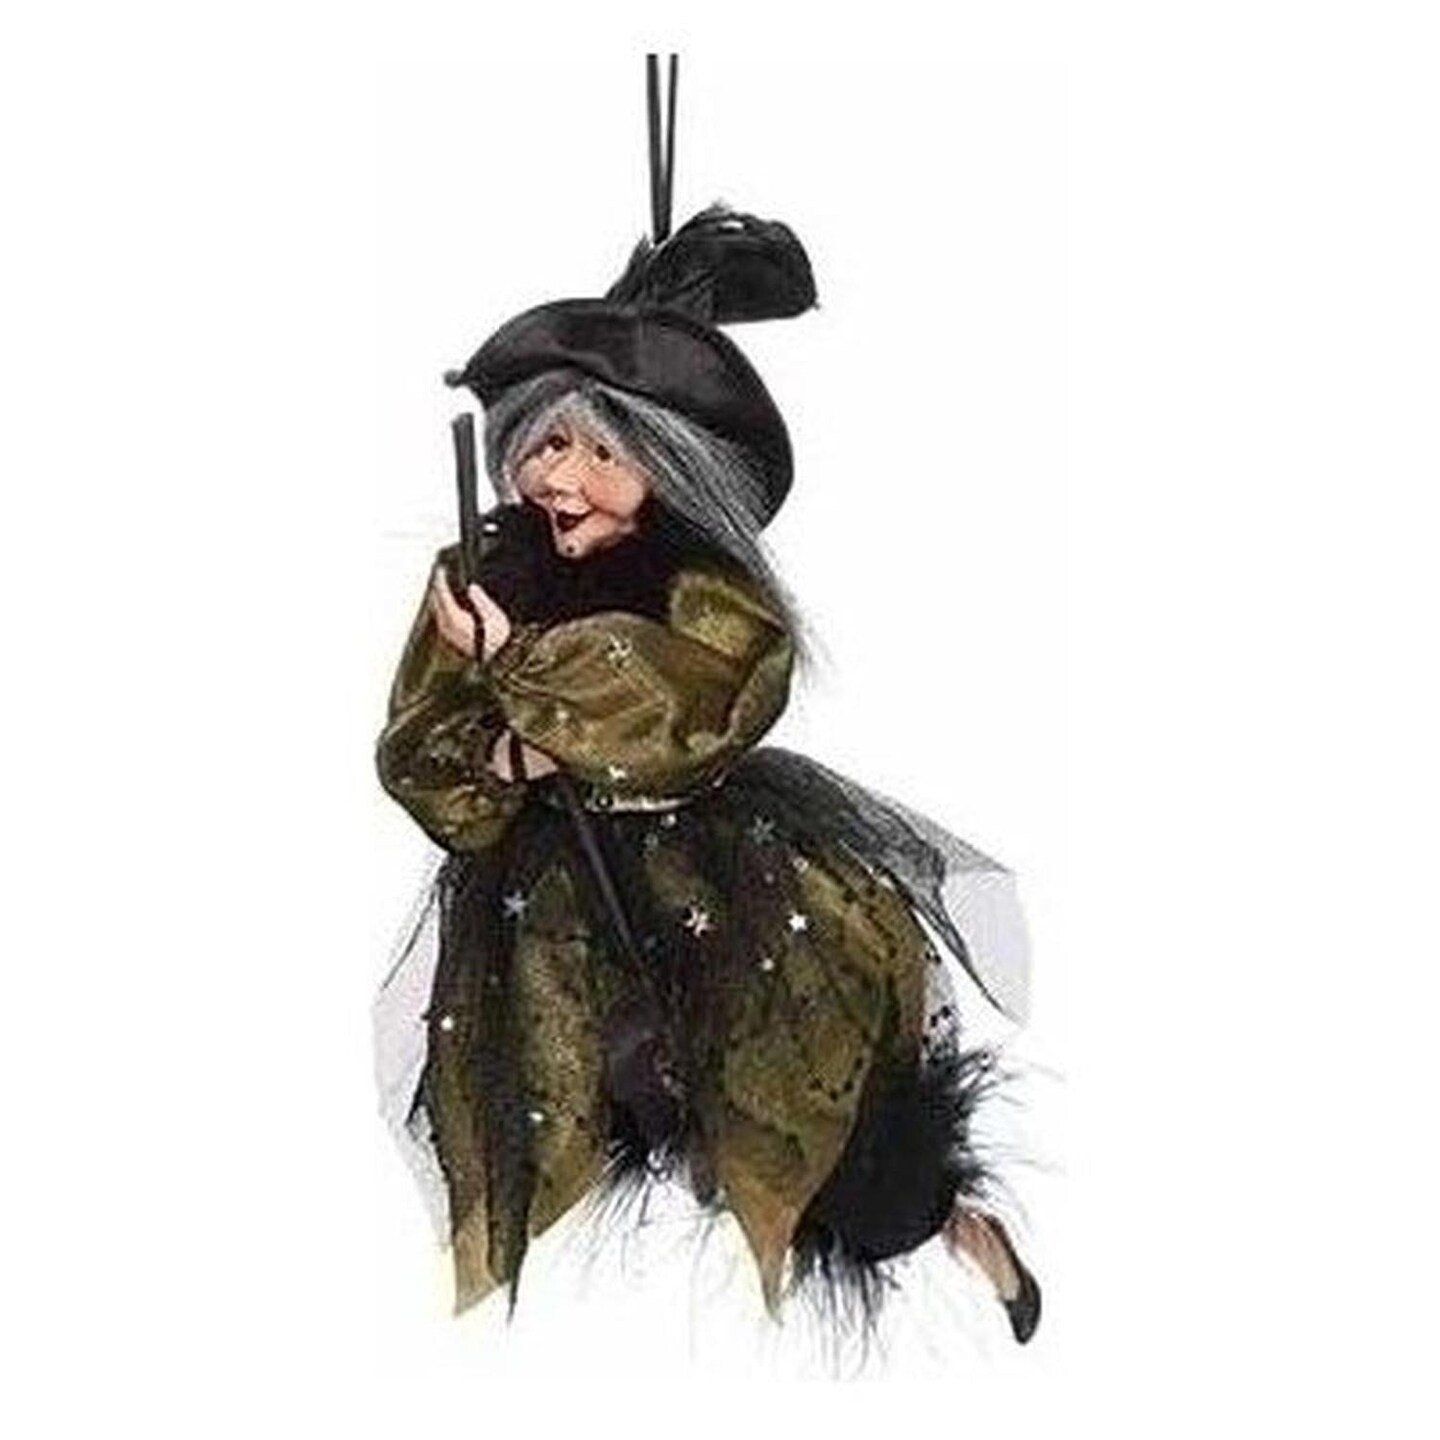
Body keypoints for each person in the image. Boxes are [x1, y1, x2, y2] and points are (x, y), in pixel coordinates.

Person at [375, 207, 1041, 1344]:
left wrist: (528, 673)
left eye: (603, 452)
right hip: (557, 896)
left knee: (808, 1082)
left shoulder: (697, 585)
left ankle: (947, 1220)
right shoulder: (483, 577)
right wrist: (499, 750)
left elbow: (695, 702)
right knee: (623, 1082)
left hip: (717, 867)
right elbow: (420, 755)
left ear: (666, 466)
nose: (563, 476)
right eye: (546, 444)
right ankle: (736, 1157)